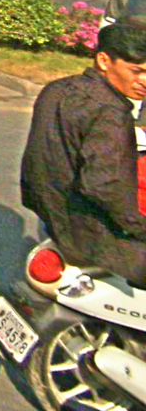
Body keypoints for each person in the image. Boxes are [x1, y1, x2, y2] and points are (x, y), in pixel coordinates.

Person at [21, 22, 146, 284]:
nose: (144, 81)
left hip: (54, 218)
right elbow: (104, 185)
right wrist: (139, 228)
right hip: (92, 236)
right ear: (104, 61)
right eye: (137, 71)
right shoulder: (110, 111)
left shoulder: (56, 90)